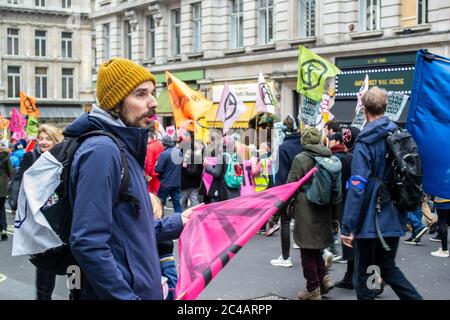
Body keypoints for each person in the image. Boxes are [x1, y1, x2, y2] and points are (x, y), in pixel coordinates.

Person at [66, 57, 191, 300]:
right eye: (141, 94)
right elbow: (88, 243)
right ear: (115, 102)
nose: (153, 102)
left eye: (152, 93)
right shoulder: (102, 151)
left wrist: (178, 221)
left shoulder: (122, 147)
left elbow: (128, 233)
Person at [340, 87, 422, 300]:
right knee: (386, 267)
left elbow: (357, 186)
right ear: (385, 107)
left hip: (370, 216)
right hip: (394, 210)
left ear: (364, 110)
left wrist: (348, 225)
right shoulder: (398, 134)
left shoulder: (365, 141)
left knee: (364, 274)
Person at [287, 127, 338, 300]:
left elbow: (290, 187)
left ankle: (313, 289)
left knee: (306, 250)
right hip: (324, 210)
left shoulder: (300, 159)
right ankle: (324, 277)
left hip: (305, 210)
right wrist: (336, 218)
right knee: (315, 247)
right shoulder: (330, 157)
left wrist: (279, 212)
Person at [269, 116, 302, 267]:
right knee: (306, 221)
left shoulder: (284, 147)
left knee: (285, 222)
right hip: (305, 187)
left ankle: (285, 257)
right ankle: (323, 252)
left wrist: (279, 194)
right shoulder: (303, 143)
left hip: (289, 188)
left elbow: (282, 174)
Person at [333, 126, 360, 290]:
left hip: (349, 202)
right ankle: (354, 274)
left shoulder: (346, 159)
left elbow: (340, 185)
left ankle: (352, 275)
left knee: (349, 238)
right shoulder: (362, 155)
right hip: (363, 201)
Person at [204, 136, 241, 202]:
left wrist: (207, 166)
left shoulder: (222, 156)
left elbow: (216, 173)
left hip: (224, 190)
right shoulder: (238, 157)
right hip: (236, 189)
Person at [155, 135, 183, 214]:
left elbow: (158, 169)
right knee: (177, 205)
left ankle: (160, 220)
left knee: (160, 203)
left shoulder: (164, 154)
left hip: (166, 182)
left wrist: (156, 166)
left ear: (163, 143)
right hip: (176, 182)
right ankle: (181, 221)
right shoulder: (179, 152)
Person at [144, 121, 164, 194]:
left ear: (149, 137)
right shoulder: (160, 144)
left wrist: (147, 174)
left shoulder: (149, 147)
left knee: (150, 192)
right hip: (160, 171)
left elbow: (149, 162)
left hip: (152, 173)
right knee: (157, 190)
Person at [0, 143, 13, 241]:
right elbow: (11, 172)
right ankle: (4, 229)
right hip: (2, 186)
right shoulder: (6, 157)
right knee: (1, 208)